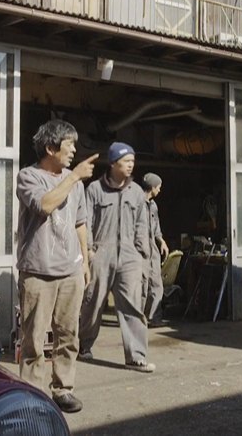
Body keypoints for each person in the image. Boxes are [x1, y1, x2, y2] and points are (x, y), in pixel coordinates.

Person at [15, 119, 97, 413]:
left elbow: (80, 223)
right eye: (69, 144)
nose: (75, 150)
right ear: (50, 147)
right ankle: (32, 395)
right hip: (37, 272)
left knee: (68, 336)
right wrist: (74, 177)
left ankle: (63, 389)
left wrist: (85, 262)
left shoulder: (75, 184)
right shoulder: (29, 177)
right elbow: (45, 206)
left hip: (71, 271)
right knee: (34, 340)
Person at [79, 142, 154, 373]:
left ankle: (136, 356)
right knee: (93, 302)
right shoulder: (94, 190)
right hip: (102, 252)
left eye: (133, 161)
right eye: (126, 161)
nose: (131, 165)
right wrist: (89, 251)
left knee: (132, 306)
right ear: (113, 163)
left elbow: (143, 223)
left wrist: (142, 252)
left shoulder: (137, 192)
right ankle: (84, 346)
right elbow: (86, 221)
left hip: (130, 254)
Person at [141, 172, 169, 327]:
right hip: (139, 248)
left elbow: (156, 226)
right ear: (152, 187)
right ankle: (139, 318)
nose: (160, 190)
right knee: (142, 285)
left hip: (152, 246)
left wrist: (161, 241)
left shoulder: (153, 205)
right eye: (158, 187)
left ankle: (155, 317)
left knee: (156, 283)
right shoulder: (136, 204)